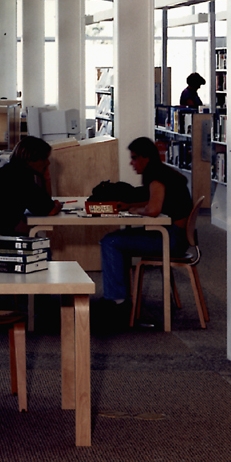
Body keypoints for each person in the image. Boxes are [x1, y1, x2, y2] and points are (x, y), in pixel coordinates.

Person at [97, 136, 194, 327]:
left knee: (111, 242)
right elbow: (156, 199)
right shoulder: (163, 171)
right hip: (177, 236)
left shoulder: (154, 175)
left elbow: (153, 209)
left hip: (171, 240)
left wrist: (135, 210)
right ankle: (119, 296)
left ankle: (117, 301)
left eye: (134, 158)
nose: (131, 163)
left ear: (145, 158)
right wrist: (130, 205)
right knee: (117, 240)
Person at [0, 135, 62, 236]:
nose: (48, 162)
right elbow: (50, 210)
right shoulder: (22, 179)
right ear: (30, 160)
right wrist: (47, 179)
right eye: (44, 159)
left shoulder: (8, 171)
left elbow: (44, 206)